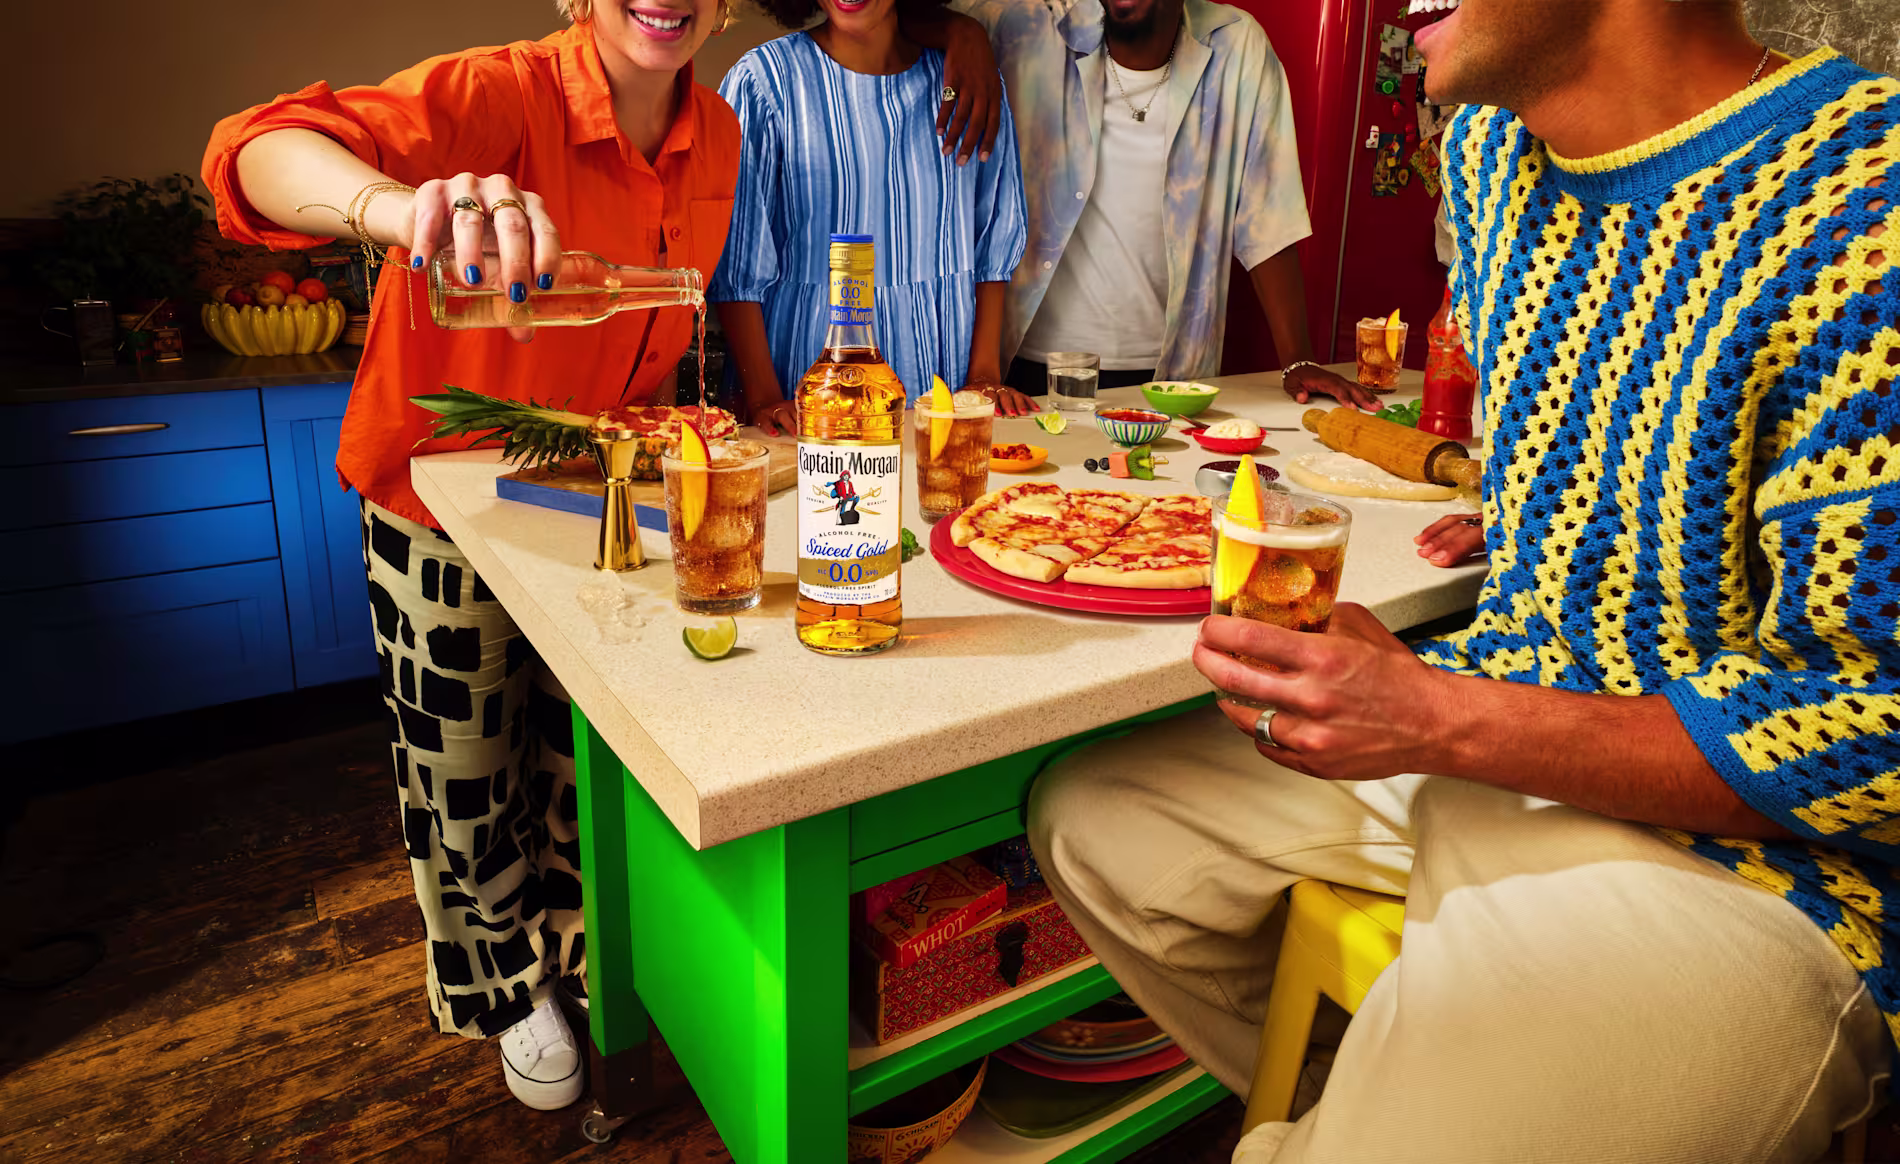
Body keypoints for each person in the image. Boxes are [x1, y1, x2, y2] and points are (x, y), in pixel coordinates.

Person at [1027, 0, 1900, 1158]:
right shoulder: (1489, 155)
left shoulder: (1861, 200)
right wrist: (1558, 505)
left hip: (1763, 876)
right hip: (1493, 728)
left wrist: (1445, 718)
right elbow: (1596, 390)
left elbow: (1874, 737)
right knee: (1096, 820)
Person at [200, 0, 743, 1112]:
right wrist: (403, 210)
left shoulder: (719, 132)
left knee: (580, 754)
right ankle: (500, 986)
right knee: (462, 763)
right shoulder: (498, 92)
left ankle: (585, 954)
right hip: (438, 498)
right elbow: (253, 150)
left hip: (591, 494)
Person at [947, 0, 1377, 409]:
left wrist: (1298, 360)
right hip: (1022, 370)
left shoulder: (1237, 46)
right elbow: (893, 19)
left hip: (1169, 377)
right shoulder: (1027, 25)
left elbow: (1268, 217)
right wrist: (960, 30)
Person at [708, 0, 1032, 434]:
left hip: (943, 391)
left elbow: (993, 240)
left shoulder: (963, 82)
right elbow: (736, 263)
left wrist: (984, 379)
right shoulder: (766, 82)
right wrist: (764, 396)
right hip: (805, 395)